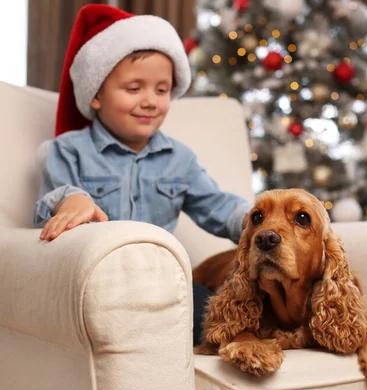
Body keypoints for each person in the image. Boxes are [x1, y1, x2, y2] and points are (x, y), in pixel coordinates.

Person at [32, 4, 252, 346]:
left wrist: (259, 221)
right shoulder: (69, 150)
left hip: (165, 281)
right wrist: (72, 200)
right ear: (96, 96)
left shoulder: (179, 158)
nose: (150, 101)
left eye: (161, 90)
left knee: (221, 321)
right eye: (134, 89)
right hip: (97, 283)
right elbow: (57, 196)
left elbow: (219, 207)